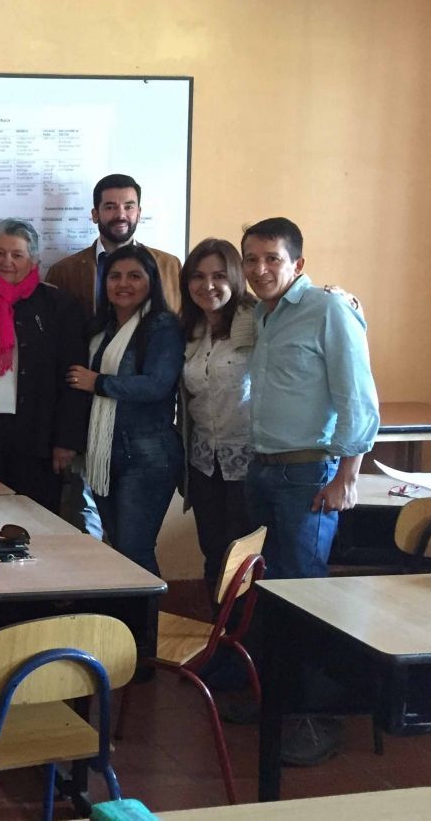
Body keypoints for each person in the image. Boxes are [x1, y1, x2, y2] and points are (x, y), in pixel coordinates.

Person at [241, 217, 380, 766]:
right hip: (265, 470)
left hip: (310, 475)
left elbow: (358, 399)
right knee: (269, 594)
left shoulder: (328, 310)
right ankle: (277, 703)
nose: (259, 270)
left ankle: (317, 721)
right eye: (251, 259)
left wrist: (348, 476)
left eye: (271, 259)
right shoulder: (263, 314)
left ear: (297, 263)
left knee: (305, 598)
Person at [0, 219, 90, 511]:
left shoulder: (57, 307)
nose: (6, 261)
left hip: (35, 437)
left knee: (33, 521)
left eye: (17, 254)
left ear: (34, 260)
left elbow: (73, 378)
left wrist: (66, 440)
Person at [68, 243, 184, 576]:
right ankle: (125, 625)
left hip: (148, 454)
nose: (123, 284)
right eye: (115, 276)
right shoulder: (101, 327)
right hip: (104, 452)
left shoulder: (162, 326)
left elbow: (157, 384)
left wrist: (99, 383)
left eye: (135, 276)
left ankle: (147, 627)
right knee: (118, 547)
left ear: (152, 281)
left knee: (134, 551)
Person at [179, 238, 258, 597]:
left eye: (219, 276)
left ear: (236, 278)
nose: (207, 286)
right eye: (197, 276)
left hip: (249, 460)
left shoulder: (258, 320)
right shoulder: (189, 330)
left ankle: (248, 640)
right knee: (212, 553)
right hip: (202, 463)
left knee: (245, 559)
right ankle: (219, 639)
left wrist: (341, 298)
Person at [44, 173, 182, 315]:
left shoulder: (170, 266)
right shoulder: (63, 273)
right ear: (95, 214)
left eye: (129, 207)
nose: (121, 215)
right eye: (110, 207)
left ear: (139, 213)